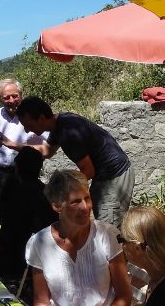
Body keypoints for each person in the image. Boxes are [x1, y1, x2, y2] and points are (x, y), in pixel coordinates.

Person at [25, 170, 132, 306]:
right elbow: (41, 302)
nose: (85, 207)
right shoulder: (39, 243)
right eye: (75, 202)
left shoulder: (106, 235)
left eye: (87, 198)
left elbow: (124, 296)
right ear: (57, 206)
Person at [14, 97, 135, 227]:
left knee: (108, 228)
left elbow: (88, 171)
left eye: (29, 125)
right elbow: (47, 151)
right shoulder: (59, 123)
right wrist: (14, 145)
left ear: (41, 118)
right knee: (103, 225)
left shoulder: (68, 132)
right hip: (105, 176)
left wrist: (62, 191)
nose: (27, 130)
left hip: (114, 176)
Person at [0, 147, 58, 282]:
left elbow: (9, 230)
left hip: (20, 256)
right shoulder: (47, 193)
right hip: (47, 250)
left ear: (17, 168)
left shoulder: (13, 194)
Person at [0, 78, 44, 219]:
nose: (11, 100)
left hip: (29, 173)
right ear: (0, 99)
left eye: (15, 96)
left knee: (31, 212)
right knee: (5, 212)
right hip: (3, 174)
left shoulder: (33, 115)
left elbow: (46, 145)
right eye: (6, 97)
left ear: (21, 95)